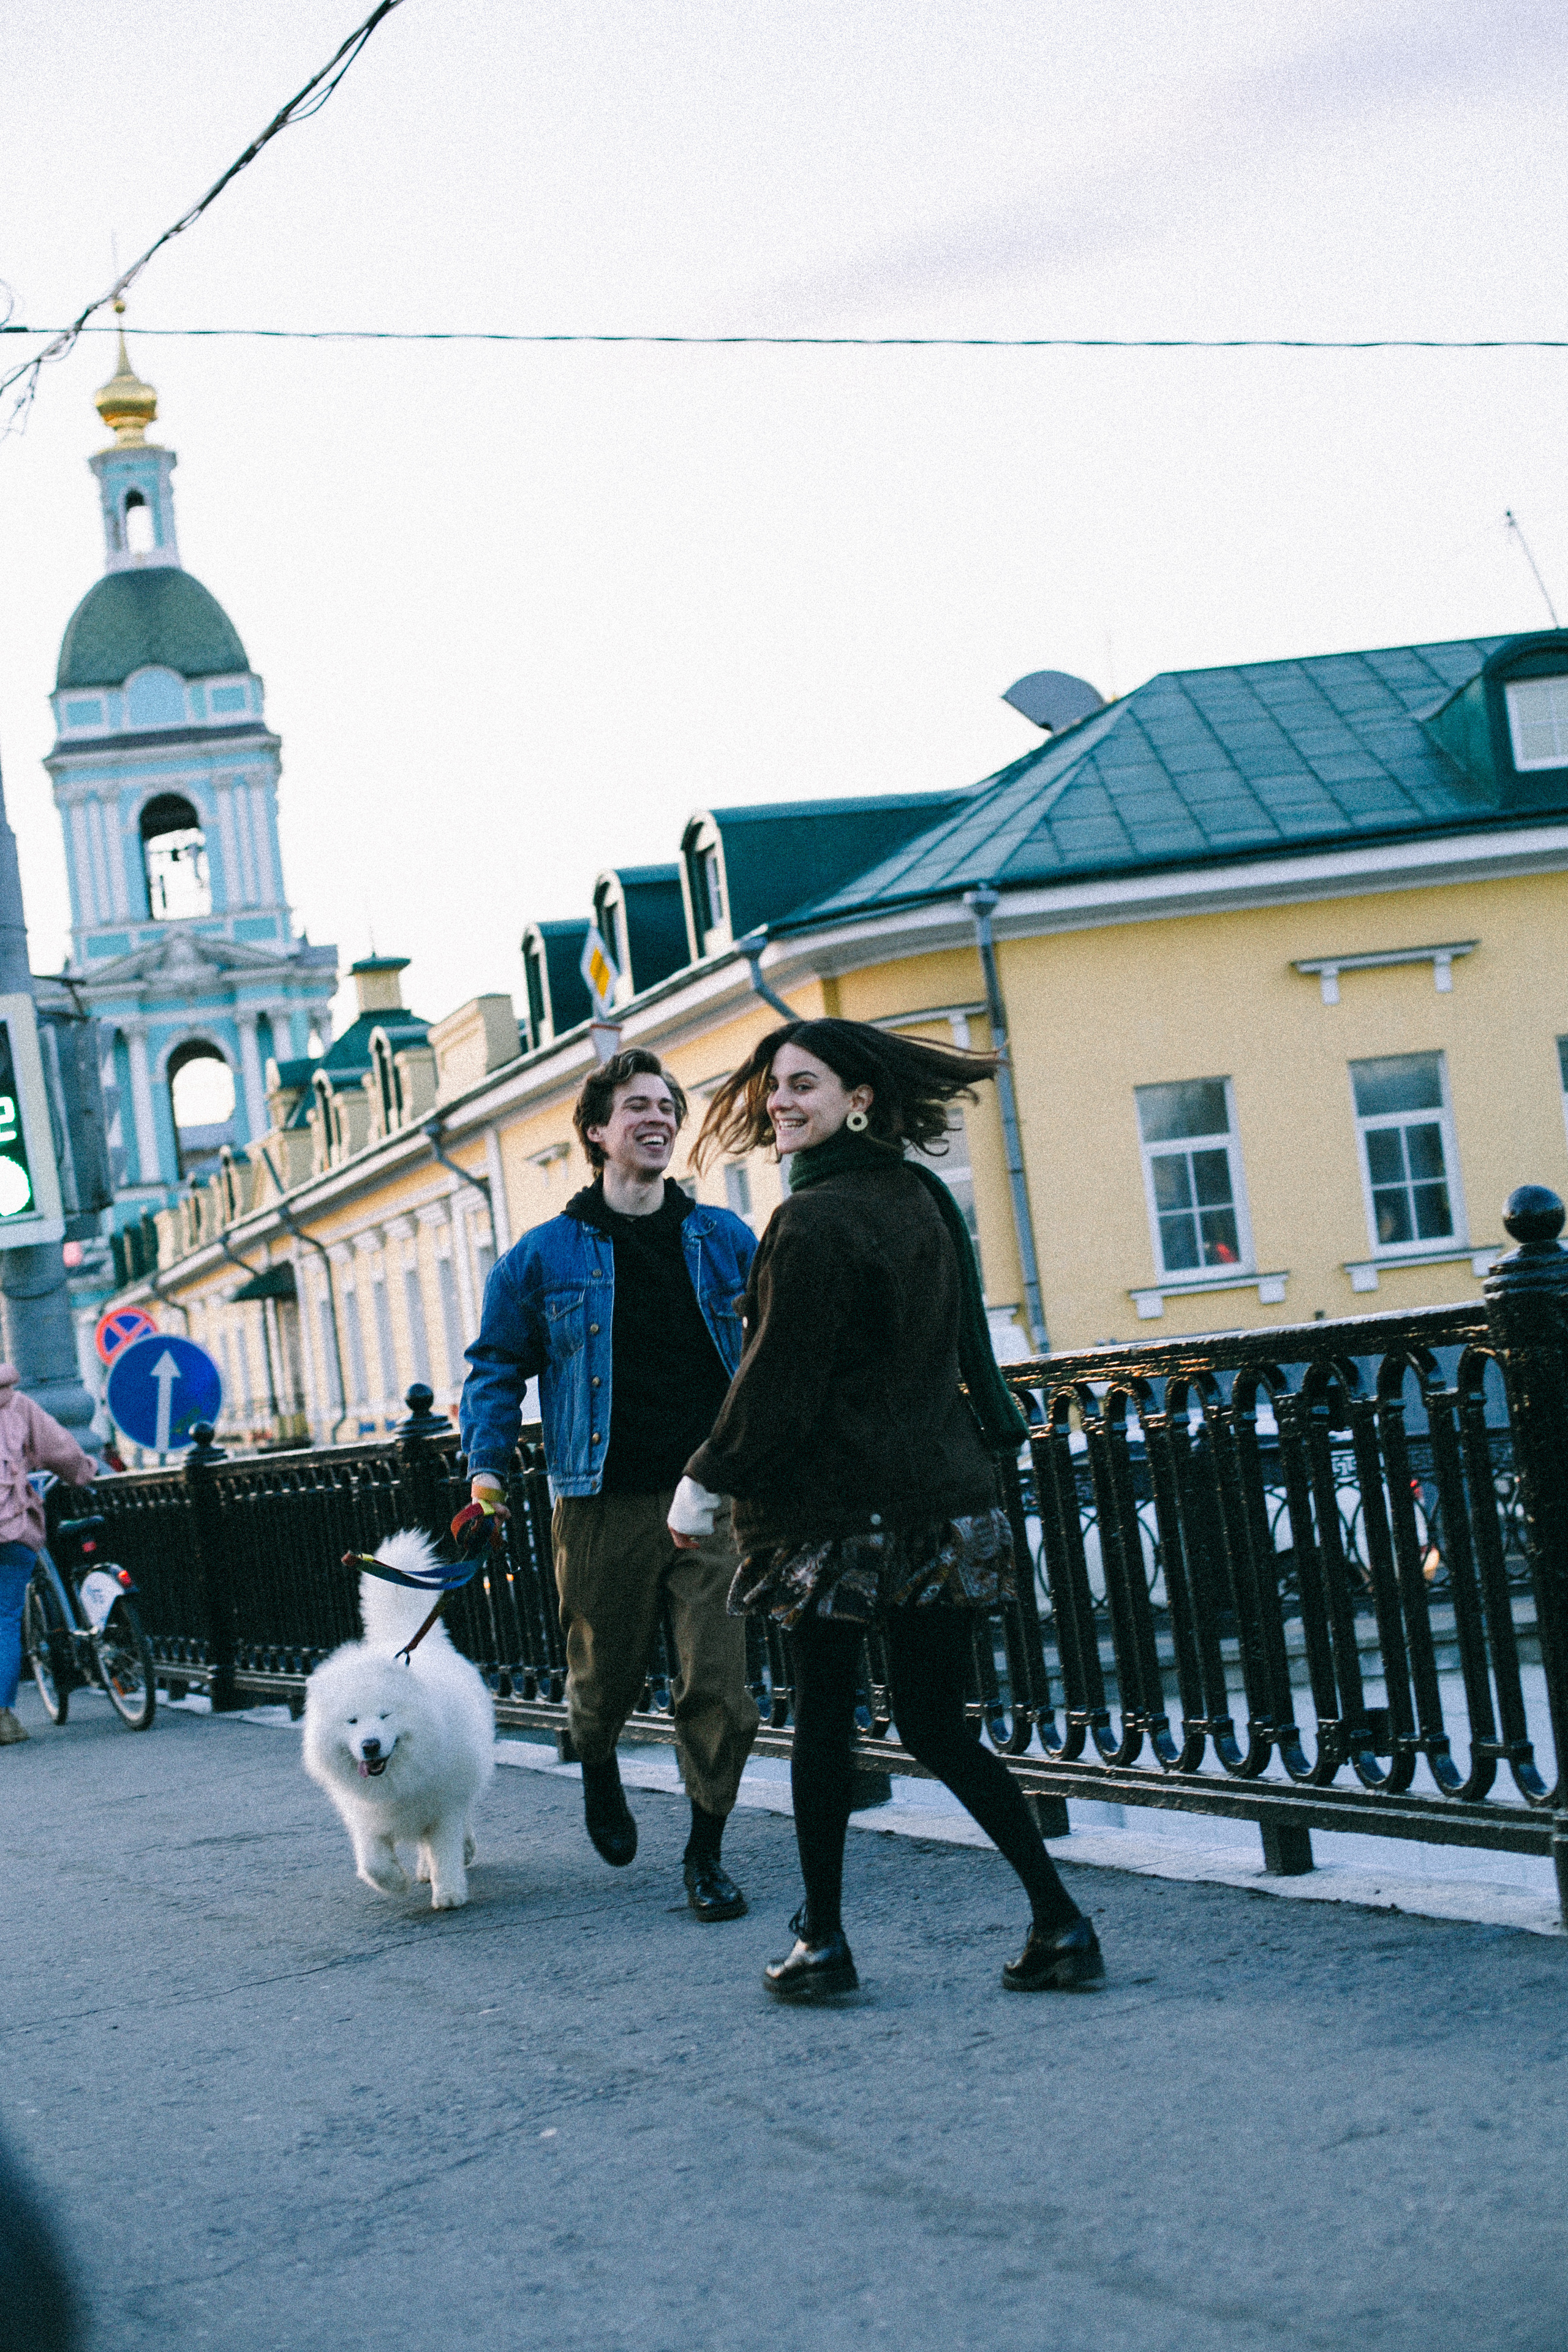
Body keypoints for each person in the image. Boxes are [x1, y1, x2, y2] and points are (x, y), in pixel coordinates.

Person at [668, 1018, 1103, 2001]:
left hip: (836, 1518)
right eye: (774, 1086)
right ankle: (1060, 1920)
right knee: (940, 1726)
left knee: (825, 1721)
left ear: (857, 1099)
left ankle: (822, 1943)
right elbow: (963, 1356)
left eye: (804, 1085)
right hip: (942, 1504)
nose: (780, 1102)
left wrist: (707, 1476)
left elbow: (779, 1379)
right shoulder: (921, 1197)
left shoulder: (812, 1221)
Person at [459, 1049, 761, 1921]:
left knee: (720, 1686)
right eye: (636, 1106)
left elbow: (771, 1352)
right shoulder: (541, 1258)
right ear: (598, 1132)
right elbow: (494, 1370)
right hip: (599, 1502)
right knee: (604, 1675)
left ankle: (705, 1852)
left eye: (667, 1105)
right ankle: (596, 1760)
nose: (657, 1118)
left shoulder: (724, 1241)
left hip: (708, 1502)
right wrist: (485, 1471)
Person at [0, 1365, 96, 1746]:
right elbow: (62, 1451)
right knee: (4, 1619)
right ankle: (2, 1719)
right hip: (13, 1530)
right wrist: (84, 1474)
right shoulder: (17, 1404)